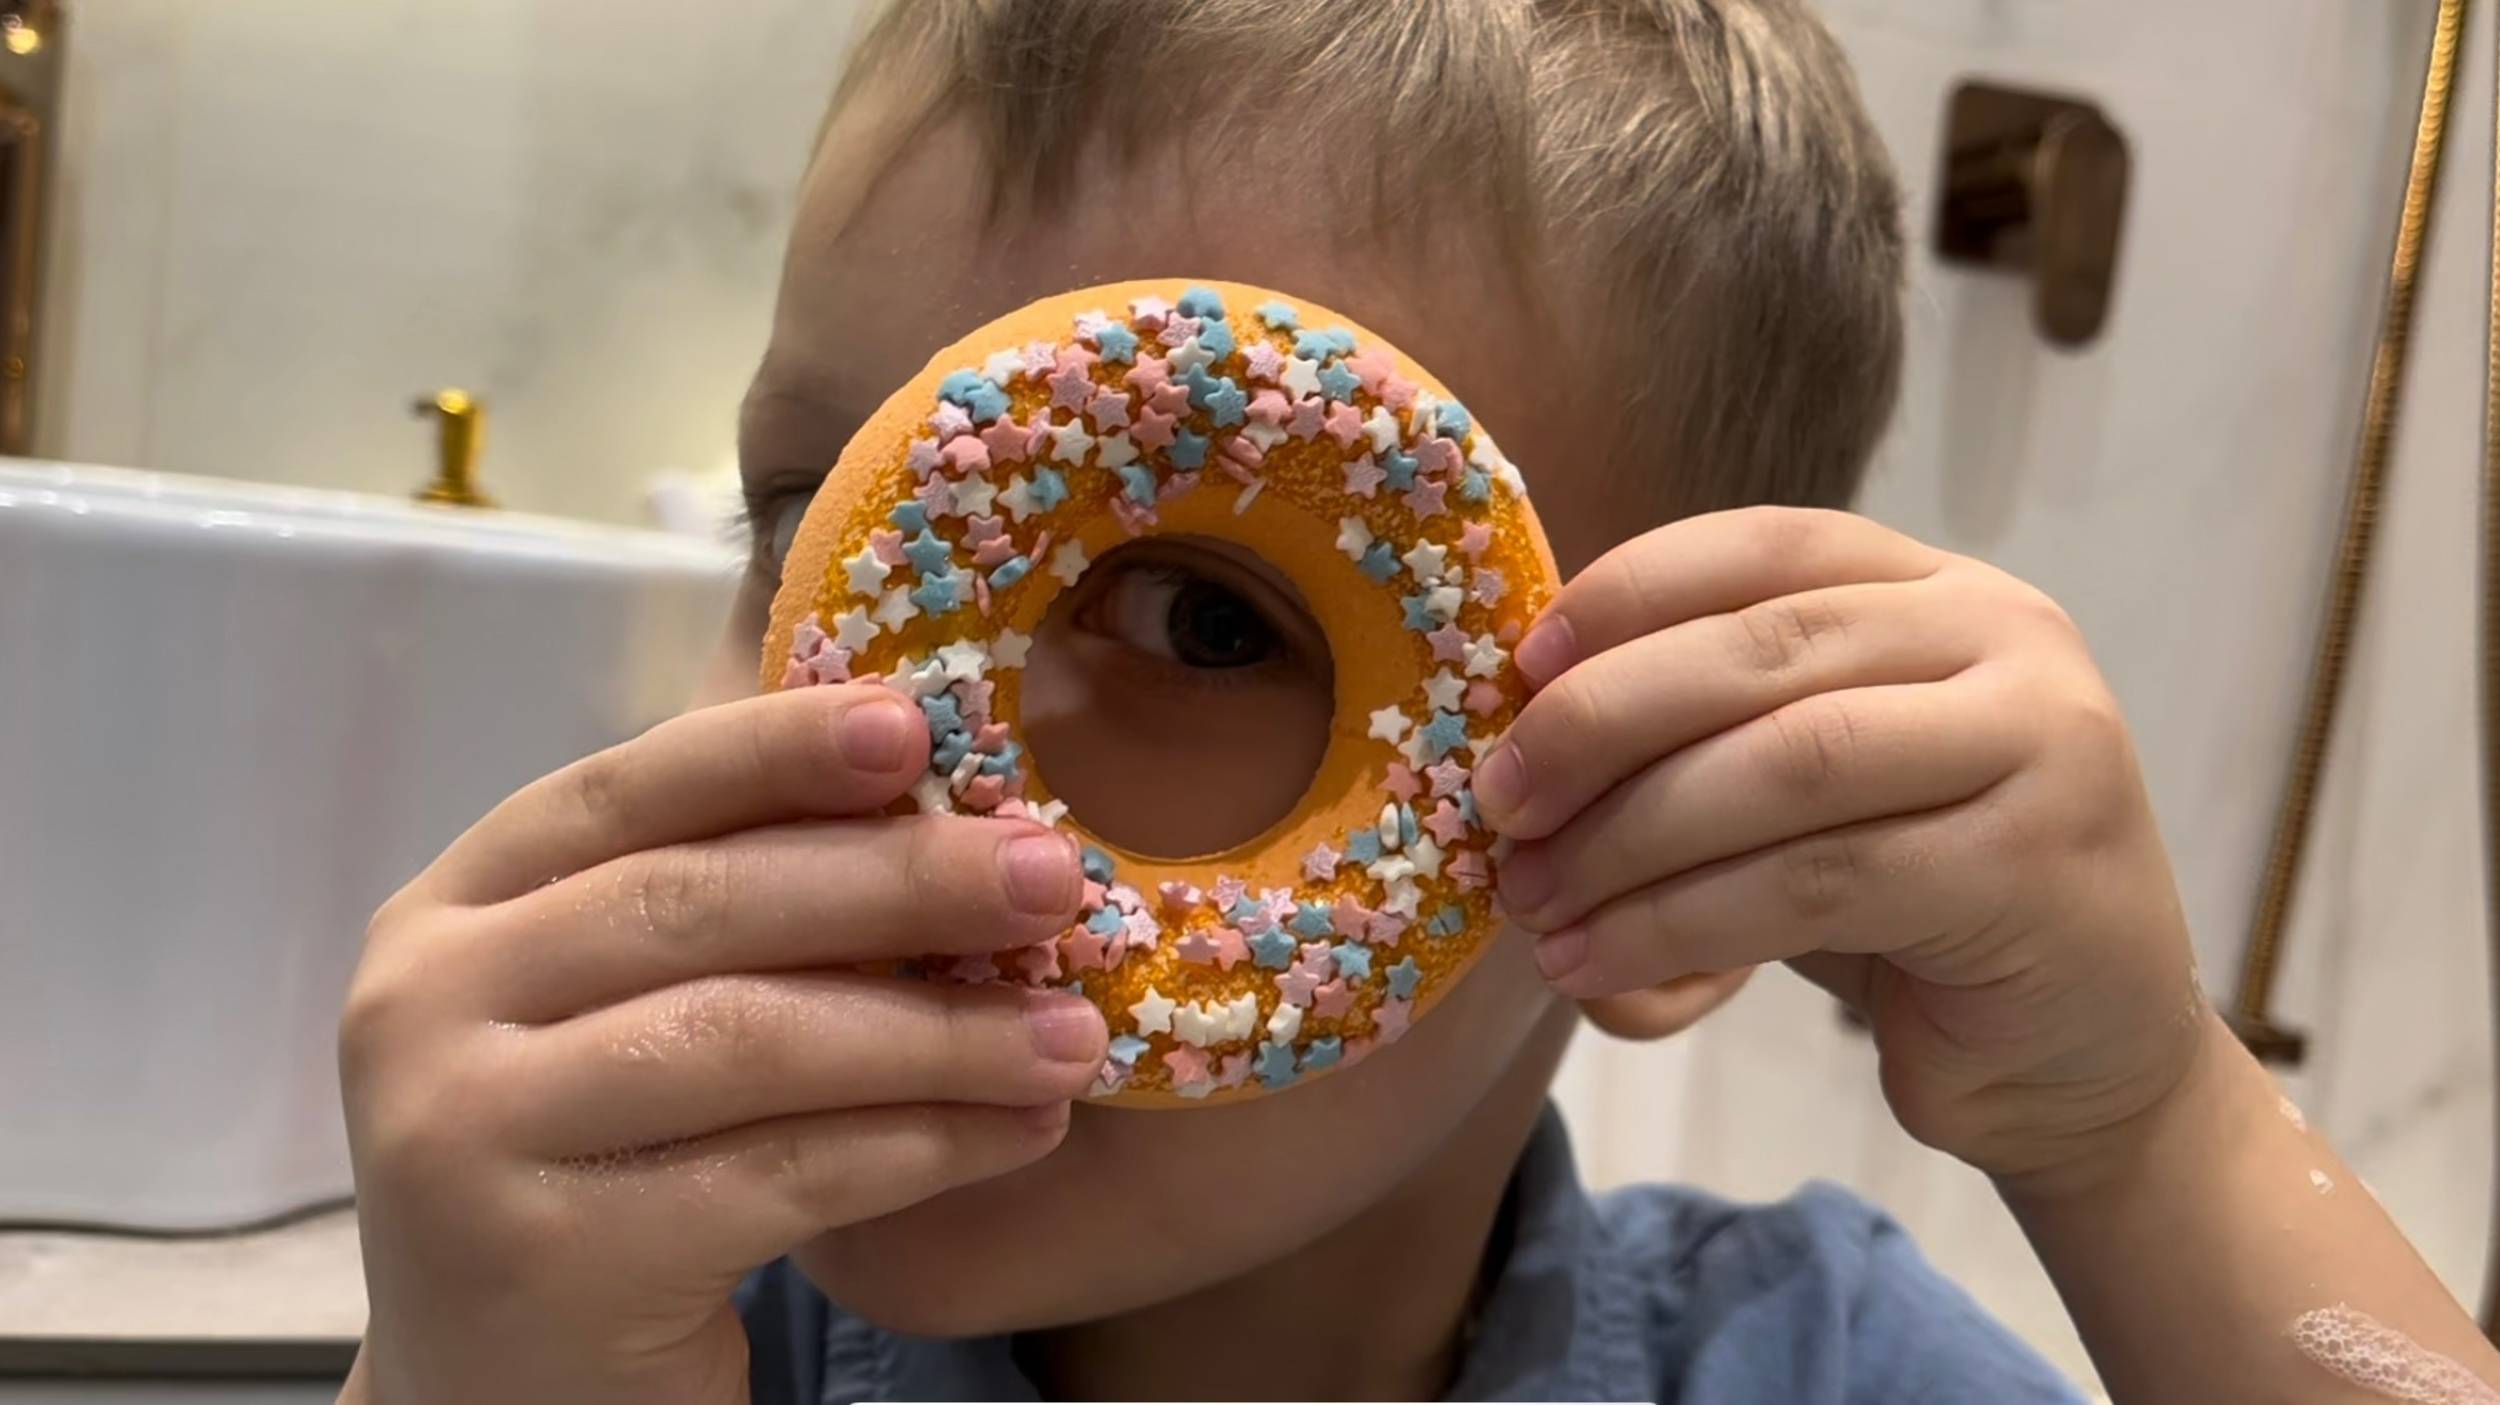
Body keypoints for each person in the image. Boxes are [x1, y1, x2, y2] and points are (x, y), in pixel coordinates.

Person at [335, 2, 2500, 1401]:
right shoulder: (643, 1338)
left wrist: (2138, 1130)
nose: (881, 763)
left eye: (1200, 626)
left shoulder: (1808, 1367)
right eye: (816, 526)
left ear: (1700, 837)